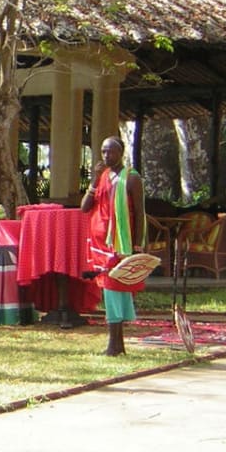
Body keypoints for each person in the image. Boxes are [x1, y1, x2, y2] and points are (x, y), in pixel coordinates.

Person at [81, 136, 146, 356]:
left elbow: (139, 213)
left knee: (115, 290)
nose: (107, 156)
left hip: (121, 244)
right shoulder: (103, 177)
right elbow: (85, 207)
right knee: (109, 291)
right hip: (101, 245)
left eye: (111, 151)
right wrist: (93, 180)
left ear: (122, 152)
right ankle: (116, 344)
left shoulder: (132, 178)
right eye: (103, 151)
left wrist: (137, 246)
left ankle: (115, 344)